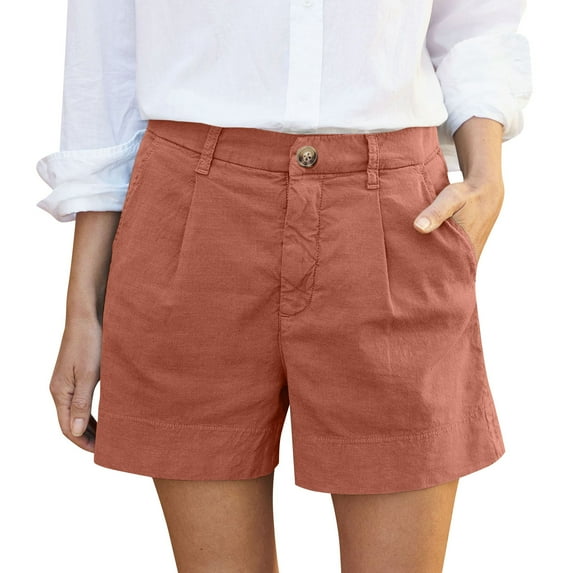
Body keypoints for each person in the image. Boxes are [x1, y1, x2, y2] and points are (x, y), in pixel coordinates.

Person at [35, 1, 532, 571]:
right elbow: (105, 74)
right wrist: (83, 307)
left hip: (395, 215)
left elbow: (474, 28)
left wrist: (487, 177)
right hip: (194, 215)